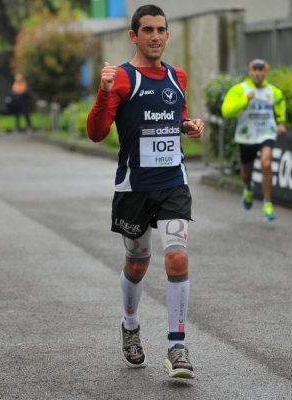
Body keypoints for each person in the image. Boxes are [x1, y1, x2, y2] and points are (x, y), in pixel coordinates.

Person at [86, 4, 204, 379]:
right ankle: (131, 327)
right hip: (134, 187)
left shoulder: (177, 75)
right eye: (148, 30)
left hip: (173, 182)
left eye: (161, 30)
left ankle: (177, 347)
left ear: (168, 35)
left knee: (178, 259)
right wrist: (104, 93)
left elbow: (175, 116)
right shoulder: (121, 77)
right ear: (134, 36)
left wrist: (189, 126)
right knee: (138, 264)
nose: (155, 36)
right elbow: (96, 133)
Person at [220, 59, 287, 221]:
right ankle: (248, 189)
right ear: (250, 72)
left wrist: (282, 122)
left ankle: (267, 203)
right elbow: (226, 111)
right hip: (247, 136)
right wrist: (245, 100)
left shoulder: (273, 91)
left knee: (266, 163)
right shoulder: (239, 89)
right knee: (246, 172)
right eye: (255, 70)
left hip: (267, 133)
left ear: (265, 72)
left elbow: (280, 104)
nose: (258, 73)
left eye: (261, 70)